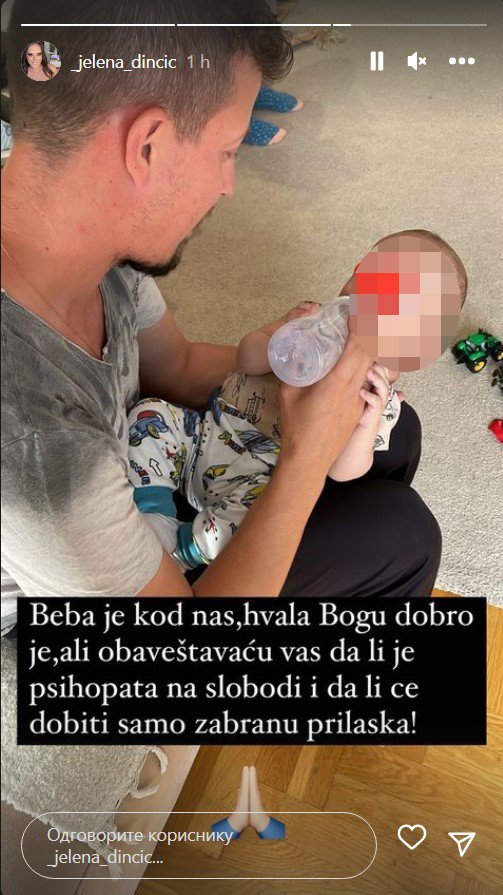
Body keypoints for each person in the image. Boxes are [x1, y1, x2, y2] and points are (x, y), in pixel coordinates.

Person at [1, 0, 442, 628]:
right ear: (147, 146)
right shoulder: (35, 448)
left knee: (394, 434)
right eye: (229, 151)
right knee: (403, 538)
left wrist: (299, 368)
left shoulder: (91, 239)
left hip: (139, 468)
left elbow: (176, 364)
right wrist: (305, 455)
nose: (229, 185)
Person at [126, 229, 465, 571]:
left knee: (260, 520)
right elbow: (247, 358)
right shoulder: (309, 321)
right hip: (204, 434)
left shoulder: (378, 398)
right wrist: (281, 334)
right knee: (149, 414)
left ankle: (185, 551)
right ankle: (154, 513)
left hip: (259, 480)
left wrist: (366, 425)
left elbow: (344, 473)